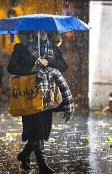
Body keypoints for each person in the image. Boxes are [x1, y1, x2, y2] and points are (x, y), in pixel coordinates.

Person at [7, 31, 71, 173]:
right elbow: (11, 68)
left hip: (47, 95)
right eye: (38, 30)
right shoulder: (21, 48)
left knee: (41, 131)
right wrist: (31, 68)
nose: (41, 33)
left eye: (44, 30)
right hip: (29, 94)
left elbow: (64, 66)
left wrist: (50, 61)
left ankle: (24, 155)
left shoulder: (53, 49)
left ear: (49, 32)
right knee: (34, 130)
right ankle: (42, 165)